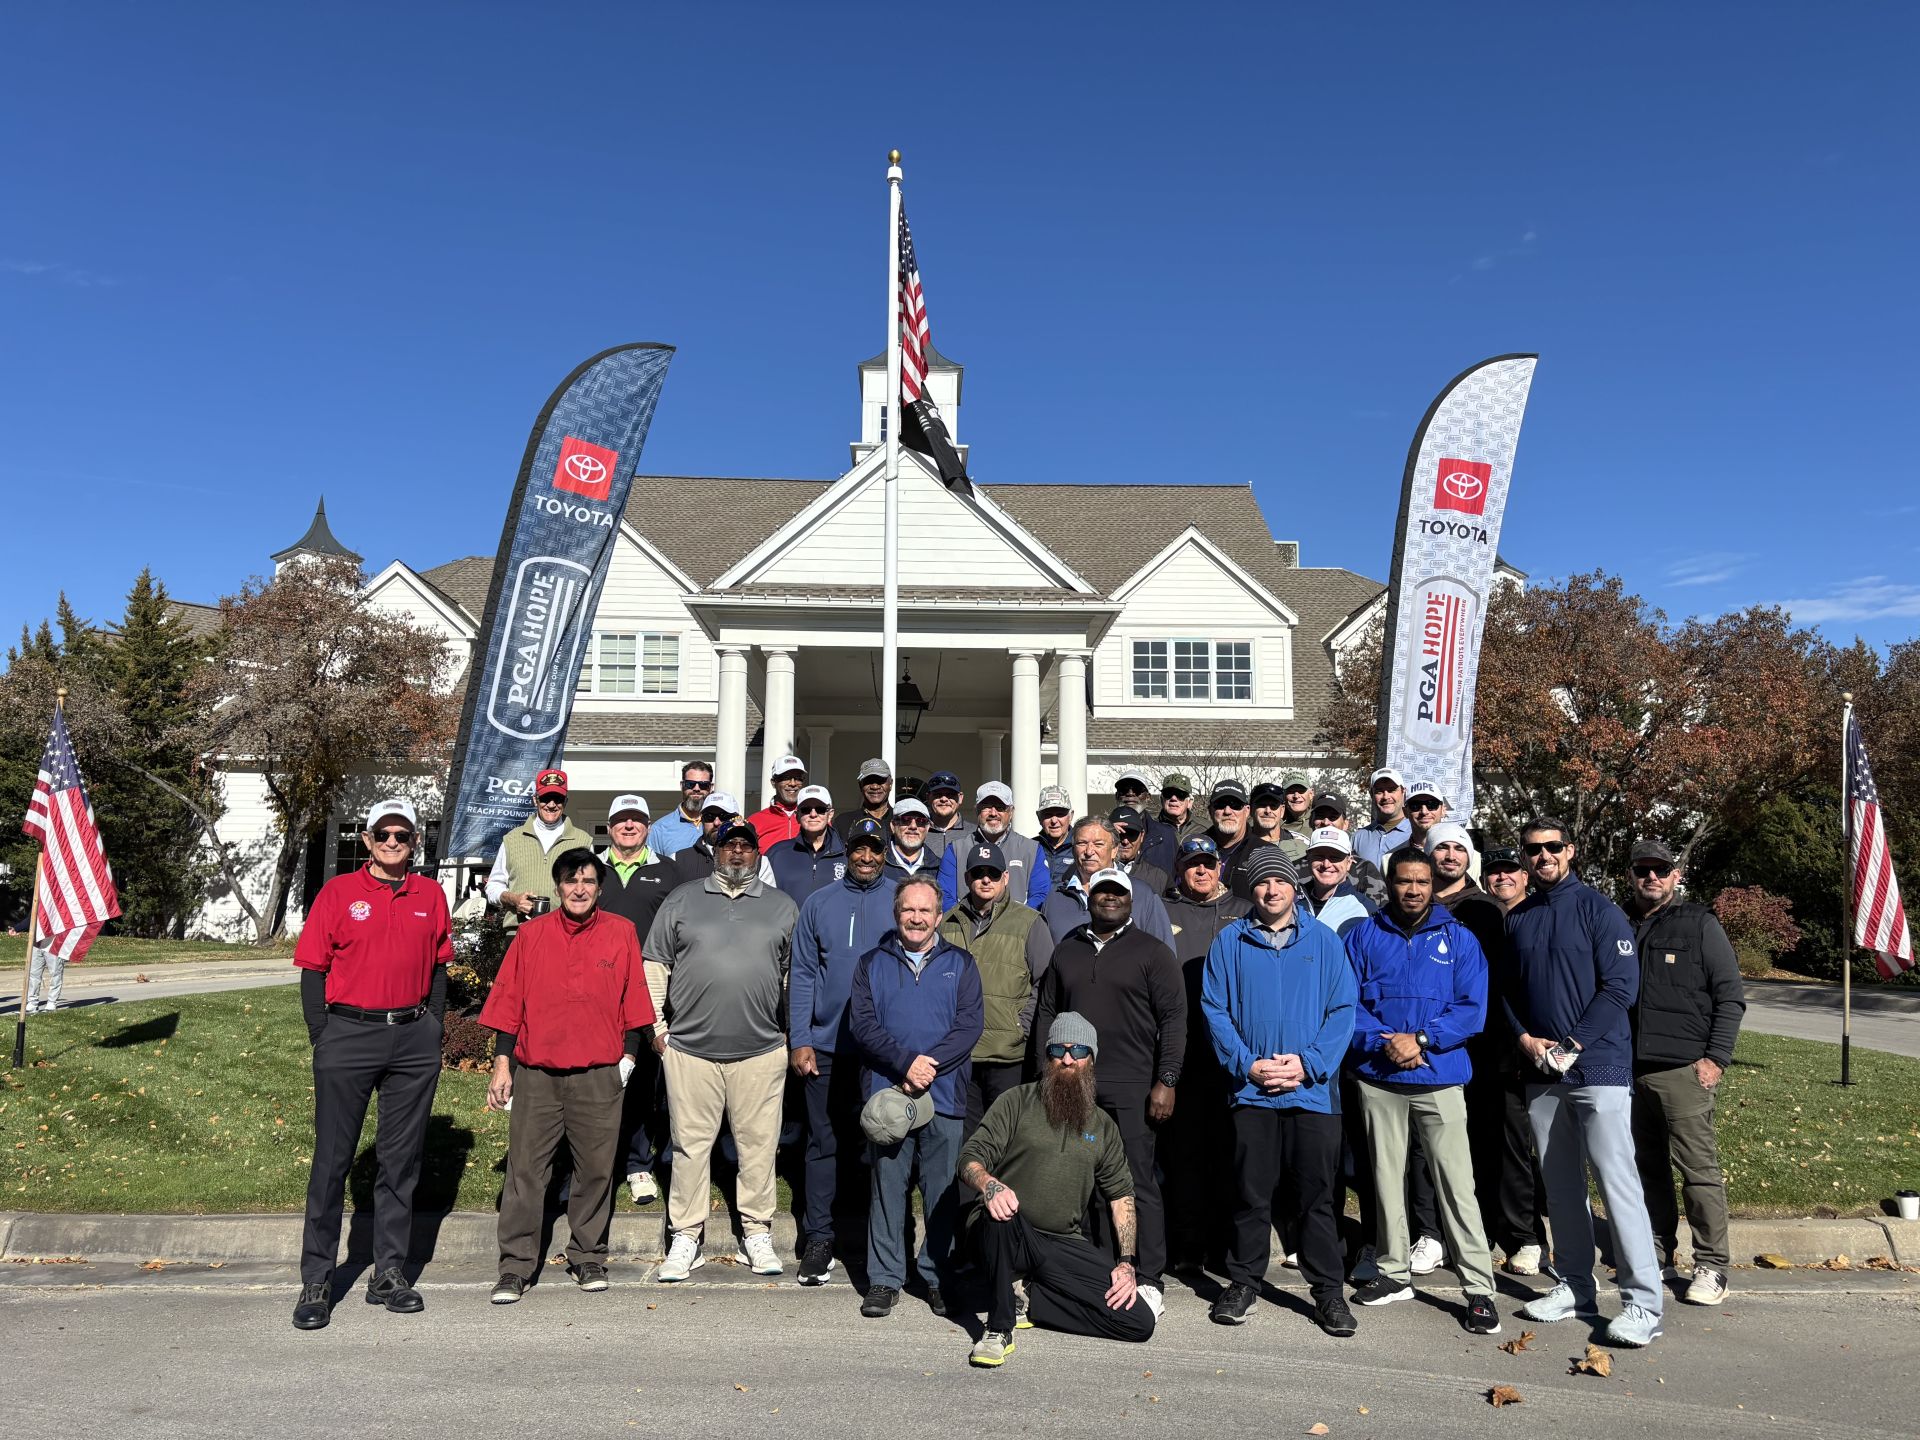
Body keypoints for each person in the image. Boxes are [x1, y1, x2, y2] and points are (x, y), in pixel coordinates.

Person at [291, 798, 451, 1331]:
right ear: (367, 840)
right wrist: (323, 1035)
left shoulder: (430, 894)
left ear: (414, 842)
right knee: (332, 1162)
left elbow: (439, 966)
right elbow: (312, 969)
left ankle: (389, 1273)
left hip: (412, 1038)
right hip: (348, 1035)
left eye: (402, 835)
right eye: (383, 834)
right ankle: (318, 1279)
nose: (392, 843)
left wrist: (433, 1024)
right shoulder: (338, 893)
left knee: (400, 1162)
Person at [1505, 817, 1664, 1348]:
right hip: (1541, 1071)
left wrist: (1573, 1044)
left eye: (1553, 847)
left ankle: (1644, 1303)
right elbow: (1506, 991)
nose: (1543, 856)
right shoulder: (1519, 917)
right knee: (1560, 1188)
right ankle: (1574, 1285)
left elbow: (1620, 987)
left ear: (1570, 850)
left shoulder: (1600, 910)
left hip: (1599, 1067)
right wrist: (1524, 1038)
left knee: (1618, 1185)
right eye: (1533, 849)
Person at [482, 848, 656, 1304]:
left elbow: (634, 999)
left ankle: (588, 1255)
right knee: (526, 1172)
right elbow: (509, 1001)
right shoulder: (531, 935)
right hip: (537, 1073)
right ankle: (516, 1266)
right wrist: (503, 1064)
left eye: (588, 881)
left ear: (600, 888)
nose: (579, 889)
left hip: (599, 1073)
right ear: (558, 887)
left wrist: (629, 1057)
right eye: (571, 881)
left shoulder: (621, 932)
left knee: (595, 1170)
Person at [1343, 848, 1500, 1335]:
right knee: (1385, 1180)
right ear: (1389, 883)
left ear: (1433, 886)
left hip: (1440, 1075)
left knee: (1457, 1184)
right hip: (1379, 1076)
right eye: (1404, 881)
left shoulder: (1460, 938)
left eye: (1422, 882)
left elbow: (1471, 1008)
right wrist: (1386, 1043)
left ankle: (1479, 1288)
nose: (1413, 890)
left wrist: (1423, 1040)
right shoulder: (1364, 935)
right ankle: (1394, 1273)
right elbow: (1346, 1003)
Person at [1201, 849, 1357, 1335]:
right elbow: (1215, 1008)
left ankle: (1329, 1292)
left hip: (1312, 1094)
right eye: (1263, 882)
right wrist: (1246, 1064)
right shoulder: (1230, 941)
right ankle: (1244, 1282)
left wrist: (1308, 1064)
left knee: (1317, 1198)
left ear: (1294, 887)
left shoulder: (1324, 941)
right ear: (1252, 889)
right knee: (1251, 1195)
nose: (1271, 890)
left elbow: (1343, 1009)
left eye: (1281, 882)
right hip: (1253, 1092)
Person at [644, 817, 799, 1283]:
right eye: (729, 845)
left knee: (758, 1146)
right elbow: (655, 965)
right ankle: (686, 1236)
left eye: (745, 846)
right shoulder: (682, 899)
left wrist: (790, 1034)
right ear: (715, 851)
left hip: (761, 1050)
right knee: (690, 1146)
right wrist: (657, 1029)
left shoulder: (782, 906)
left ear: (757, 853)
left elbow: (794, 976)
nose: (737, 852)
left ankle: (756, 1232)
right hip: (690, 1050)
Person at [957, 1013, 1155, 1366]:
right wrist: (990, 1185)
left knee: (1137, 1320)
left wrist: (1126, 1263)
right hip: (1005, 1233)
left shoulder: (1103, 1126)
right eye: (1058, 1050)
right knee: (1002, 1215)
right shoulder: (1017, 1101)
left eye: (1078, 1050)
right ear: (1046, 1057)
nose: (1067, 1059)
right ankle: (999, 1328)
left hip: (1060, 1242)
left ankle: (1031, 1298)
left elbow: (1121, 1197)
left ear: (1091, 1059)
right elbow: (970, 1157)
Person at [1032, 867, 1184, 1316]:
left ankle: (1148, 1274)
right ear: (1090, 898)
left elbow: (1174, 1020)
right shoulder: (1068, 949)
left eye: (1118, 892)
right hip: (1075, 1084)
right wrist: (1045, 1072)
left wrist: (1167, 1080)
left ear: (1131, 899)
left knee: (1137, 1181)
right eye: (1102, 892)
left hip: (1134, 1086)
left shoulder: (1153, 952)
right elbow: (1047, 1012)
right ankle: (1098, 1267)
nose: (1110, 898)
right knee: (1084, 1180)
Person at [849, 876, 984, 1319]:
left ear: (939, 916)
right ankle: (885, 1278)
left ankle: (936, 1275)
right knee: (887, 1188)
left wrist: (928, 1067)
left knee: (941, 1191)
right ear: (896, 914)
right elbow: (863, 1027)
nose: (916, 918)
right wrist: (906, 1064)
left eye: (925, 910)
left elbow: (969, 1026)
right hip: (889, 1095)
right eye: (909, 909)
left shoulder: (961, 964)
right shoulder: (871, 964)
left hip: (944, 1095)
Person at [1625, 838, 1745, 1307]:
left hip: (1683, 1071)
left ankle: (1712, 1265)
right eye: (1643, 870)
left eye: (1661, 869)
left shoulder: (1699, 923)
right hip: (1628, 1070)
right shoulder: (1619, 922)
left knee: (1698, 1172)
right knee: (1645, 1169)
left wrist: (1716, 1058)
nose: (1651, 877)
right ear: (1631, 876)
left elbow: (1729, 996)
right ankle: (1656, 1254)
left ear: (1676, 874)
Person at [1430, 824, 1548, 1277]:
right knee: (1456, 1144)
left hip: (1499, 1045)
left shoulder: (1493, 912)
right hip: (1447, 1043)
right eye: (1496, 871)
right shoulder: (1429, 907)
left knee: (1507, 1144)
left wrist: (1520, 1038)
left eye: (1510, 870)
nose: (1503, 877)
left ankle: (1525, 1236)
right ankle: (1459, 1232)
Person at [788, 818, 897, 1285]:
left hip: (883, 1051)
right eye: (858, 849)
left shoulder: (901, 899)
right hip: (827, 1045)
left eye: (875, 849)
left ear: (885, 853)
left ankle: (879, 1241)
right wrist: (800, 1038)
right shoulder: (819, 902)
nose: (866, 857)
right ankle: (820, 1238)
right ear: (846, 852)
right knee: (822, 1143)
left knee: (881, 1145)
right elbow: (803, 973)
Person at [1159, 835, 1250, 1271]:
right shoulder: (1162, 910)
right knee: (1184, 1154)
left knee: (1229, 1152)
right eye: (1192, 864)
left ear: (1220, 868)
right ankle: (1187, 1245)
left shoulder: (1244, 911)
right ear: (1179, 869)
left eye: (1208, 864)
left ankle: (1226, 1246)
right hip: (1182, 1049)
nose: (1201, 871)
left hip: (1233, 1052)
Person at [937, 841, 1053, 1131]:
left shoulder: (1029, 922)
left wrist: (1021, 1026)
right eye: (978, 873)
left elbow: (1046, 982)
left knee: (1006, 1137)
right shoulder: (947, 923)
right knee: (967, 1143)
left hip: (1008, 1056)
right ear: (967, 878)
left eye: (993, 873)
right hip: (959, 1054)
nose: (985, 879)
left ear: (1006, 877)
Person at [596, 795, 672, 1205]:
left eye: (637, 820)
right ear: (610, 827)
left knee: (642, 1081)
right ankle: (595, 1162)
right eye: (621, 820)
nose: (629, 826)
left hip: (649, 992)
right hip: (597, 990)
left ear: (648, 827)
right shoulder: (592, 870)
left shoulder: (668, 871)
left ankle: (637, 1163)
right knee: (596, 1078)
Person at [1041, 816, 1174, 947]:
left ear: (1114, 850)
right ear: (1073, 849)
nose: (1089, 851)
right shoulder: (1055, 897)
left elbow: (1164, 953)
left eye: (1098, 844)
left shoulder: (1142, 894)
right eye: (1082, 843)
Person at [487, 769, 594, 929]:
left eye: (557, 799)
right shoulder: (512, 839)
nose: (551, 805)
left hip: (568, 931)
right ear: (535, 800)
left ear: (565, 802)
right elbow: (493, 886)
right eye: (545, 798)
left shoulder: (583, 842)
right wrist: (514, 899)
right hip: (520, 930)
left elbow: (592, 887)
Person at [935, 781, 1047, 910]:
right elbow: (944, 895)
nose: (993, 813)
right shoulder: (956, 850)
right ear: (976, 810)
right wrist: (965, 921)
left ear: (1011, 812)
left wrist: (1018, 920)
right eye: (986, 807)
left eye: (1000, 807)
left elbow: (1040, 895)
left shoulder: (1032, 850)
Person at [666, 790, 775, 889]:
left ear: (738, 819)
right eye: (709, 817)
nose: (716, 822)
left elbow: (768, 899)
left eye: (724, 816)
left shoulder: (759, 861)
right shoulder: (678, 859)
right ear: (701, 820)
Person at [767, 785, 846, 905]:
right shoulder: (776, 853)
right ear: (797, 816)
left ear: (830, 814)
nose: (813, 814)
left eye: (820, 809)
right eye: (806, 809)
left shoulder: (848, 854)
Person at [1307, 792, 1386, 905]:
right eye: (1320, 816)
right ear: (1311, 822)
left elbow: (1378, 911)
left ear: (1345, 824)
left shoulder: (1364, 870)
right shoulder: (1295, 869)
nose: (1326, 822)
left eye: (1333, 817)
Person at [1298, 826, 1375, 936]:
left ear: (1349, 863)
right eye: (1319, 856)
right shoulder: (1291, 900)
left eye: (1335, 857)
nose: (1326, 864)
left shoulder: (1365, 909)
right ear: (1308, 859)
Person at [1114, 770, 1178, 873]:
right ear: (1117, 796)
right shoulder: (1102, 832)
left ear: (1148, 797)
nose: (1130, 793)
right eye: (1124, 789)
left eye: (1138, 790)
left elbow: (1175, 875)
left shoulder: (1166, 835)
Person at [650, 760, 715, 859]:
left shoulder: (719, 825)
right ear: (682, 785)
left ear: (711, 788)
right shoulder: (659, 829)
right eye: (690, 784)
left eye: (703, 785)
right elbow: (653, 866)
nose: (696, 788)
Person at [1352, 768, 1412, 870]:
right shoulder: (1358, 838)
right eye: (1379, 791)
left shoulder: (1416, 834)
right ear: (1371, 794)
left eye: (1392, 790)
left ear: (1403, 792)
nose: (1386, 796)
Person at [747, 754, 809, 852]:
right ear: (773, 782)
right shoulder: (754, 822)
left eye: (798, 778)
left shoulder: (817, 819)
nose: (793, 783)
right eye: (786, 778)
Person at [1109, 806, 1169, 898]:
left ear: (1142, 836)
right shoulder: (1092, 871)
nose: (1125, 841)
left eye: (1131, 834)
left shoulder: (1159, 877)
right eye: (1118, 834)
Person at [882, 797, 939, 884]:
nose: (913, 826)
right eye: (906, 819)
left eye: (921, 821)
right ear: (893, 826)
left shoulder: (938, 867)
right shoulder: (878, 863)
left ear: (927, 828)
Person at [1032, 785, 1076, 891]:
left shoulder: (1081, 847)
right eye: (1048, 815)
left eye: (1060, 814)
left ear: (1070, 816)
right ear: (1039, 817)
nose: (1054, 821)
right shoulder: (1030, 847)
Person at [1249, 781, 1306, 863]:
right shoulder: (1238, 845)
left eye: (1273, 806)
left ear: (1282, 810)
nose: (1268, 811)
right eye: (1262, 805)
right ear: (1251, 809)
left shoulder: (1300, 844)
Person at [843, 758, 894, 840]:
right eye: (869, 781)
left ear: (890, 784)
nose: (875, 786)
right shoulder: (843, 822)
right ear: (860, 785)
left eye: (880, 780)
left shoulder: (903, 822)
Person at [924, 772, 967, 862]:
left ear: (960, 798)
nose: (944, 799)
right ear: (928, 797)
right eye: (937, 794)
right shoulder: (917, 832)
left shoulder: (975, 834)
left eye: (950, 794)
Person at [1157, 772, 1206, 844]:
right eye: (1168, 793)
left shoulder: (1207, 829)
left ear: (1189, 802)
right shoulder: (1148, 827)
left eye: (1180, 794)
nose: (1173, 798)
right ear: (1161, 800)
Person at [1404, 781, 1450, 854]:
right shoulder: (1390, 857)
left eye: (1432, 804)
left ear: (1443, 810)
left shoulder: (1462, 856)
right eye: (1415, 805)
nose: (1424, 812)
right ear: (1405, 812)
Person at [1482, 846, 1530, 914]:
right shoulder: (1472, 917)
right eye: (1494, 872)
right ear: (1482, 882)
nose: (1502, 877)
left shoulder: (1542, 912)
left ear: (1524, 878)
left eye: (1509, 871)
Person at [1280, 771, 1315, 837]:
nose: (1296, 796)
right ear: (1283, 795)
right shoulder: (1274, 821)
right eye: (1291, 791)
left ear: (1311, 794)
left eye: (1301, 791)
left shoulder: (1318, 822)